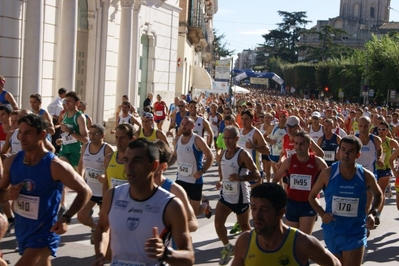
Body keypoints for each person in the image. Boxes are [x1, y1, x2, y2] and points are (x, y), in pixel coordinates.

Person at [0, 114, 91, 265]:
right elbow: (1, 195)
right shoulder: (11, 162)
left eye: (28, 133)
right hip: (22, 231)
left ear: (42, 134)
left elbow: (85, 190)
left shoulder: (55, 165)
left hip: (45, 234)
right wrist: (8, 195)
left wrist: (66, 217)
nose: (22, 137)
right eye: (20, 132)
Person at [93, 138, 195, 266]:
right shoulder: (112, 195)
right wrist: (100, 255)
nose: (129, 167)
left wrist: (165, 253)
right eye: (126, 160)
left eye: (137, 161)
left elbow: (189, 257)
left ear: (154, 166)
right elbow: (102, 228)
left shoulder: (171, 205)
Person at [309, 135, 382, 266]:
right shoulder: (327, 173)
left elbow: (378, 195)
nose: (346, 154)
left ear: (358, 155)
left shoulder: (365, 175)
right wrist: (322, 214)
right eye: (343, 150)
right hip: (332, 231)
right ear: (338, 152)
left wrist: (373, 212)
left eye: (350, 151)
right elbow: (312, 196)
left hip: (355, 232)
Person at [231, 183, 341, 266]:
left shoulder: (301, 243)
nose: (256, 215)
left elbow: (335, 264)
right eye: (254, 208)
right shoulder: (244, 241)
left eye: (264, 210)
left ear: (280, 213)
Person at [215, 126, 261, 265]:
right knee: (218, 223)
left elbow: (257, 174)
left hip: (241, 197)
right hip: (226, 195)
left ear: (236, 139)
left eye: (230, 138)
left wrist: (241, 178)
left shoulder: (243, 154)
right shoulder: (223, 153)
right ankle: (227, 247)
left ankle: (257, 249)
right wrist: (221, 180)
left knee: (245, 228)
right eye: (225, 138)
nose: (227, 141)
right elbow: (221, 169)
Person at [273, 131, 328, 234]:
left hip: (309, 204)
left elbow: (329, 182)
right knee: (290, 239)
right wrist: (276, 198)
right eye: (296, 143)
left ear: (309, 145)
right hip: (292, 203)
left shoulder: (318, 162)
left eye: (302, 144)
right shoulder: (288, 161)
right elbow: (275, 179)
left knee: (304, 240)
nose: (298, 147)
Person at [168, 116, 215, 217]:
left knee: (195, 212)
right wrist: (167, 165)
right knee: (177, 207)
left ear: (192, 126)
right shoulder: (177, 140)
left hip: (195, 180)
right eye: (182, 124)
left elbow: (211, 156)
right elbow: (175, 156)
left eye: (186, 124)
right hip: (180, 179)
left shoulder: (197, 140)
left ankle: (205, 204)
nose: (183, 126)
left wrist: (202, 170)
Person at [77, 123, 114, 243]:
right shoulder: (85, 147)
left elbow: (113, 169)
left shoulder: (107, 149)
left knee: (105, 220)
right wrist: (80, 178)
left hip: (104, 191)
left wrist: (105, 176)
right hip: (91, 190)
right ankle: (94, 228)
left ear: (102, 135)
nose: (92, 136)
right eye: (90, 134)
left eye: (95, 134)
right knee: (81, 216)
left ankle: (104, 247)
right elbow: (81, 163)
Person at [154, 139, 198, 232]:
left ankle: (205, 205)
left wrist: (171, 226)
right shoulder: (136, 187)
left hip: (169, 246)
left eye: (154, 163)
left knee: (197, 208)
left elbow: (193, 223)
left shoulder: (175, 190)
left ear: (163, 166)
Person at [103, 123, 136, 194]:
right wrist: (104, 203)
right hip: (113, 203)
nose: (118, 141)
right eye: (116, 137)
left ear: (132, 139)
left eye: (122, 138)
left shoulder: (137, 162)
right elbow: (106, 182)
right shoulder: (108, 158)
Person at [47, 88, 67, 153]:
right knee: (56, 135)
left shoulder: (62, 100)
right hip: (57, 119)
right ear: (62, 93)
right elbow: (49, 107)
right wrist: (53, 115)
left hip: (61, 118)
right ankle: (54, 150)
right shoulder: (57, 100)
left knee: (60, 135)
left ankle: (58, 149)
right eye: (65, 93)